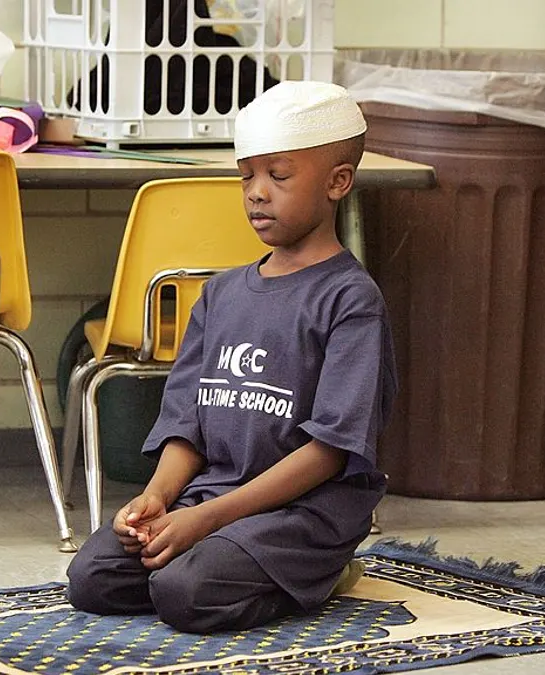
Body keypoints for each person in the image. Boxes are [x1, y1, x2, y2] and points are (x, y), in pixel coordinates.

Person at [66, 80, 397, 634]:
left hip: (304, 513)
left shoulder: (350, 299)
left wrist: (203, 522)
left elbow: (330, 453)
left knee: (184, 592)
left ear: (338, 182)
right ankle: (232, 562)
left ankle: (322, 571)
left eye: (279, 176)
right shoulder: (220, 294)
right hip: (213, 497)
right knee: (92, 578)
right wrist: (158, 500)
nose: (257, 193)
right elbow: (186, 426)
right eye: (247, 176)